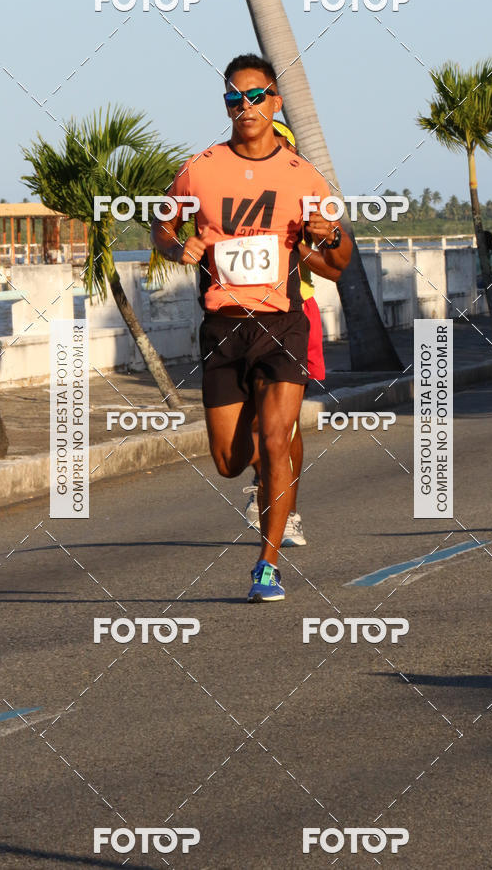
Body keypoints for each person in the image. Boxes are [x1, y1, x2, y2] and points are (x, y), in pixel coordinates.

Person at [151, 54, 352, 602]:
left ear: (275, 102)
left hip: (281, 324)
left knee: (274, 440)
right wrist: (176, 245)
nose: (246, 107)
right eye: (234, 99)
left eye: (256, 96)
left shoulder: (303, 176)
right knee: (229, 461)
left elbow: (339, 264)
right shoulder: (201, 168)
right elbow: (162, 224)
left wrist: (324, 238)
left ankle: (267, 564)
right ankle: (262, 473)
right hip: (221, 328)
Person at [243, 120, 342, 547]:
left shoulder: (306, 201)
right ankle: (262, 479)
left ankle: (289, 510)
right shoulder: (229, 194)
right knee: (246, 422)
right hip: (236, 318)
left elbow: (331, 262)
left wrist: (308, 241)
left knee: (285, 426)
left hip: (293, 313)